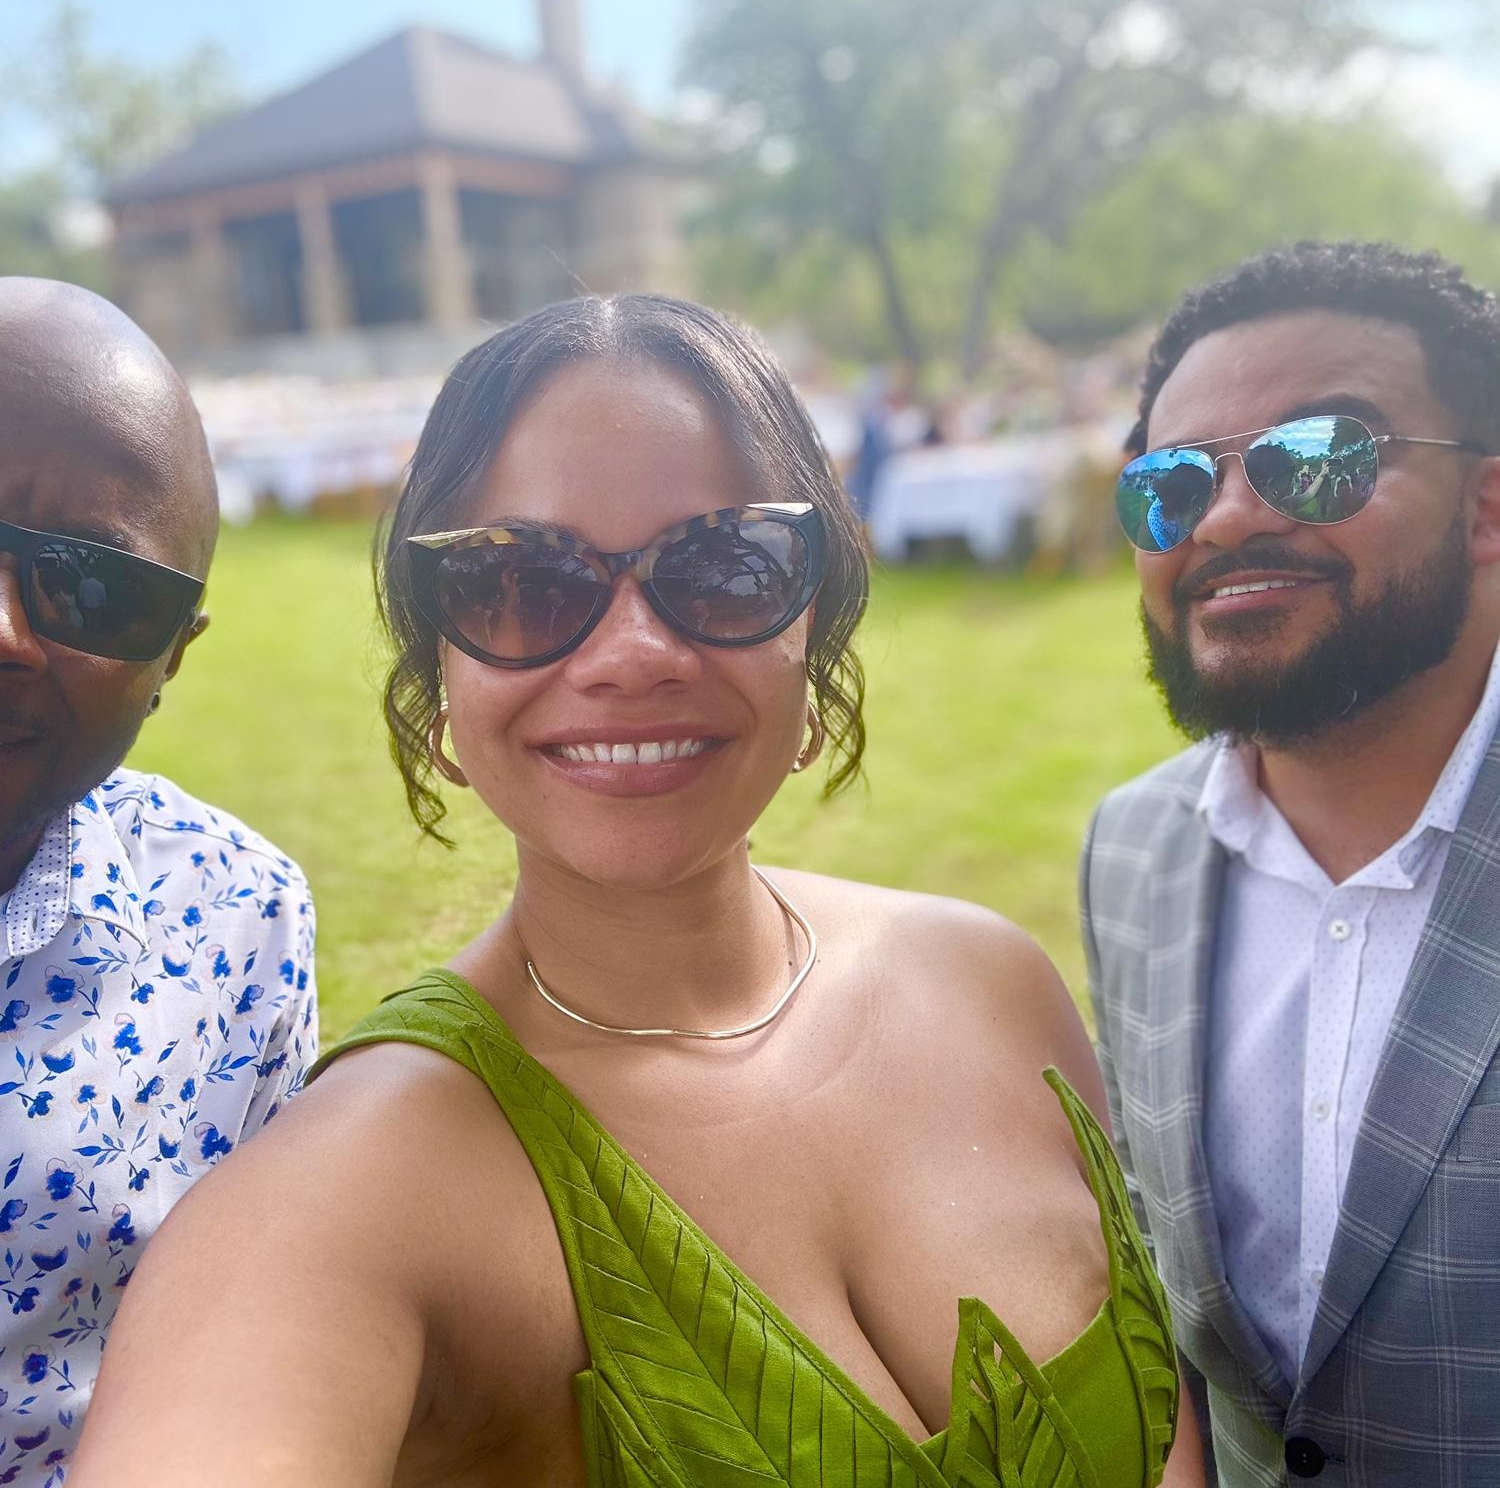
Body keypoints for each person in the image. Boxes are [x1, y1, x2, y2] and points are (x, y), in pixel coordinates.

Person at [71, 295, 1201, 1487]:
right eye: (523, 581)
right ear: (438, 672)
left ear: (813, 626)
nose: (633, 653)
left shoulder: (994, 983)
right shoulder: (354, 1190)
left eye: (724, 568)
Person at [1086, 241, 1500, 1485]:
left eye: (1320, 457)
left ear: (1487, 508)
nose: (1224, 518)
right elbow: (1156, 1277)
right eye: (1170, 483)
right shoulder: (1135, 850)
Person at [0, 278, 318, 1486]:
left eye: (90, 586)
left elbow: (258, 1341)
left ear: (174, 656)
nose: (4, 632)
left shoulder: (238, 916)